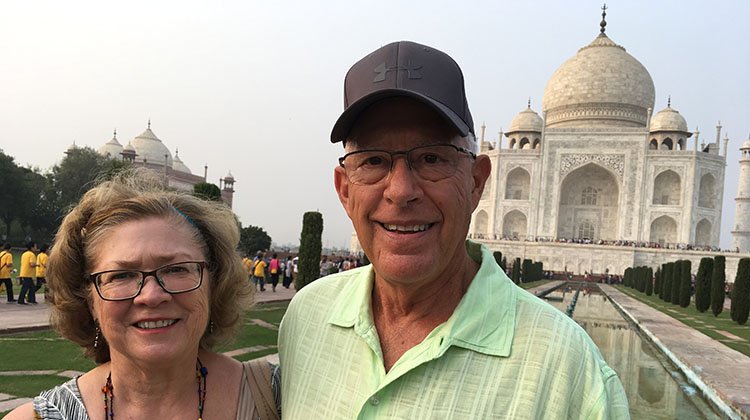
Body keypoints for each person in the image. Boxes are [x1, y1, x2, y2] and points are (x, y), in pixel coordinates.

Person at [279, 41, 629, 418]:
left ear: (477, 182)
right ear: (345, 190)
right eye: (374, 160)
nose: (400, 191)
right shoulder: (306, 318)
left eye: (431, 158)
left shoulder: (570, 371)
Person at [5, 169, 277, 419]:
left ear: (214, 284)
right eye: (121, 275)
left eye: (177, 270)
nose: (151, 295)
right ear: (88, 300)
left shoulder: (282, 400)